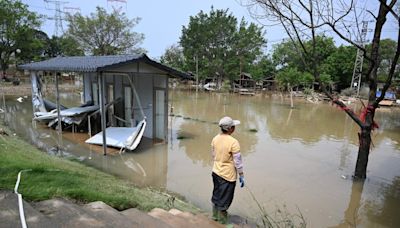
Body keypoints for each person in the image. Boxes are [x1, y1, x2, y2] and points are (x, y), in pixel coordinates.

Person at [211, 116, 244, 224]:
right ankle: (223, 223)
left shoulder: (215, 138)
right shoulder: (234, 142)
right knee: (225, 200)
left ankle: (214, 217)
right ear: (230, 129)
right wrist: (241, 175)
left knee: (216, 195)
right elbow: (238, 162)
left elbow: (213, 155)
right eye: (233, 126)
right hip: (228, 176)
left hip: (215, 172)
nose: (234, 128)